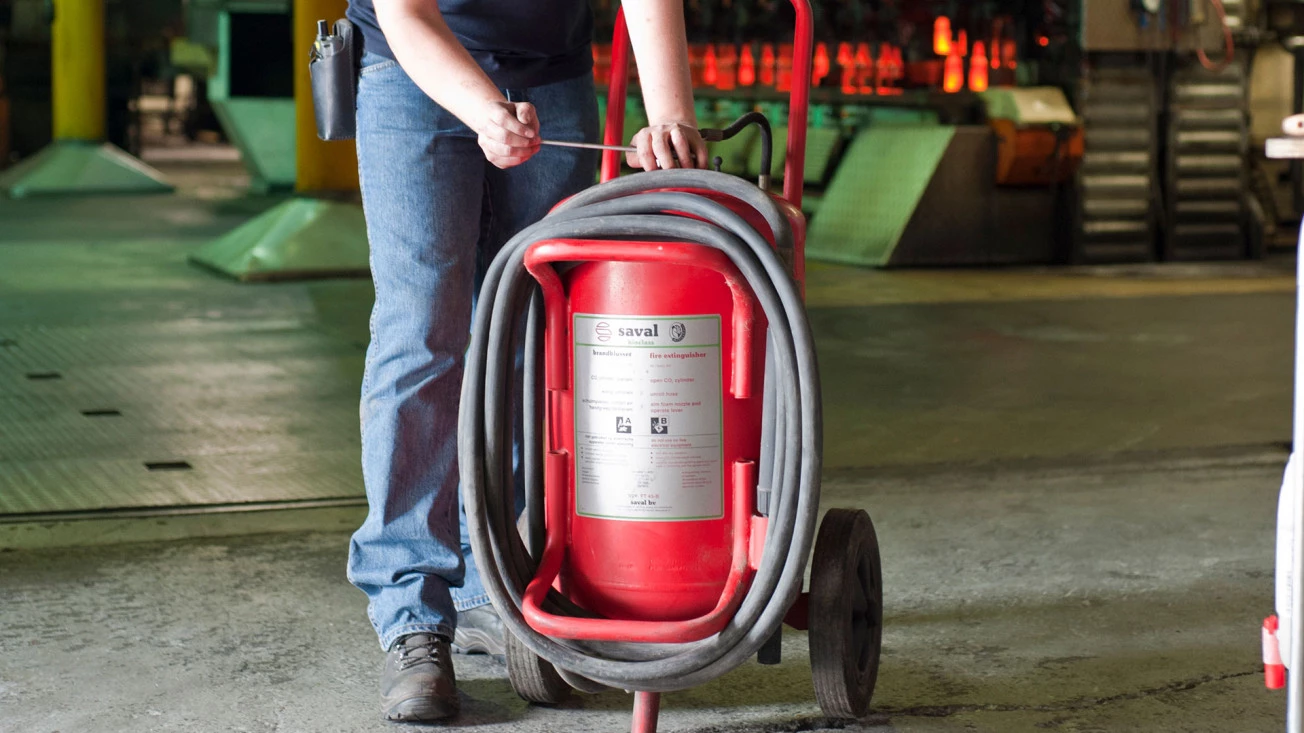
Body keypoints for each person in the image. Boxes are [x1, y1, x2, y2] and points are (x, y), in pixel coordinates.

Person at [343, 0, 709, 722]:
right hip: (410, 70)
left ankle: (500, 581)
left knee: (533, 334)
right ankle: (412, 611)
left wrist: (671, 114)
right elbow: (407, 12)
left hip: (552, 75)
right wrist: (484, 109)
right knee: (424, 333)